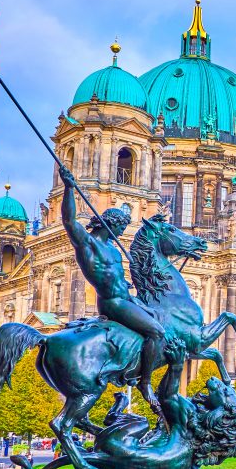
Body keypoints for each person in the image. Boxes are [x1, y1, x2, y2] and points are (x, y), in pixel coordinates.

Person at [58, 165, 168, 418]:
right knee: (157, 331)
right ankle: (145, 382)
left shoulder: (115, 249)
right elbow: (69, 221)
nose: (122, 232)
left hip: (124, 299)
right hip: (113, 303)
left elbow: (121, 283)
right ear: (110, 223)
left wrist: (142, 304)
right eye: (120, 227)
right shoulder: (89, 245)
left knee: (156, 317)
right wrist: (68, 188)